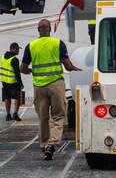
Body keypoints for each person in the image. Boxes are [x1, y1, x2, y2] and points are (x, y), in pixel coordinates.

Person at [20, 18, 81, 159]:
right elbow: (67, 65)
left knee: (43, 118)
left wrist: (30, 71)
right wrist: (73, 68)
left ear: (38, 29)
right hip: (55, 85)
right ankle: (52, 145)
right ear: (50, 29)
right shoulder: (58, 43)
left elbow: (23, 68)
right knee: (58, 115)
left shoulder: (31, 46)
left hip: (39, 87)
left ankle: (44, 145)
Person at [0, 42, 23, 122]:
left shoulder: (3, 57)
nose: (18, 51)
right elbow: (17, 73)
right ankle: (15, 114)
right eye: (17, 49)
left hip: (4, 81)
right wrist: (21, 84)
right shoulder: (14, 60)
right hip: (13, 82)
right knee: (18, 97)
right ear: (12, 49)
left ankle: (8, 115)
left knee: (7, 97)